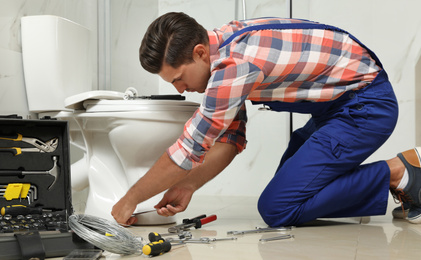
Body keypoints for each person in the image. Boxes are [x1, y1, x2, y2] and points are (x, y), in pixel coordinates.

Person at [111, 12, 421, 227]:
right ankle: (401, 184)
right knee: (293, 190)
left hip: (365, 108)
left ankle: (400, 172)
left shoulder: (234, 65)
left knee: (277, 207)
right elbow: (230, 139)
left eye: (178, 78)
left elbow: (189, 148)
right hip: (338, 108)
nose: (181, 89)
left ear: (200, 52)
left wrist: (130, 199)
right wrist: (189, 185)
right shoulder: (224, 47)